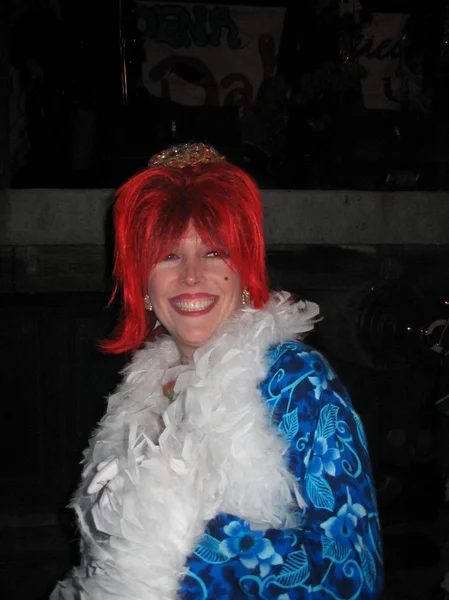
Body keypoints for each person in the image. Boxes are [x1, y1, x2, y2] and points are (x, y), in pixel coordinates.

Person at [51, 142, 383, 599]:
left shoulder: (296, 382)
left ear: (243, 271)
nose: (191, 275)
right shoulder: (141, 393)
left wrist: (167, 570)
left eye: (213, 252)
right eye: (169, 255)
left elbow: (353, 577)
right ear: (143, 282)